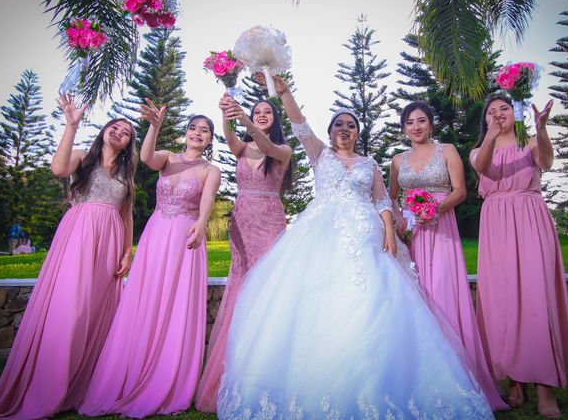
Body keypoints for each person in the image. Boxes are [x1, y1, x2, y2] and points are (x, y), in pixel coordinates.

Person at [217, 76, 494, 420]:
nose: (344, 129)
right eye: (339, 125)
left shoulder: (370, 164)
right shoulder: (320, 154)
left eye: (351, 125)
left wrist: (390, 234)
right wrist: (284, 91)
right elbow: (299, 123)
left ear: (357, 133)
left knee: (372, 297)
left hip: (366, 234)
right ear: (331, 131)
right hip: (320, 236)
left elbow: (381, 200)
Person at [0, 94, 137, 420]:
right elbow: (57, 167)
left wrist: (127, 252)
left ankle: (80, 384)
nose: (119, 132)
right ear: (104, 131)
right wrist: (71, 125)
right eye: (115, 127)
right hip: (78, 236)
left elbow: (126, 215)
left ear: (128, 143)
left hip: (108, 243)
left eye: (126, 132)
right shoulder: (82, 157)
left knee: (93, 310)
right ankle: (47, 385)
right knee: (71, 307)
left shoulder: (126, 174)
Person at [79, 101, 221, 418]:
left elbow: (208, 197)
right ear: (186, 133)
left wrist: (202, 222)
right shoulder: (168, 158)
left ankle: (167, 376)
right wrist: (155, 126)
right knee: (146, 300)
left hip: (185, 238)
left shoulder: (211, 170)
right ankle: (132, 371)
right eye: (194, 128)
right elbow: (145, 157)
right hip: (156, 235)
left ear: (210, 140)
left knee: (175, 303)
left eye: (205, 130)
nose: (198, 133)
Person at [389, 101, 507, 411]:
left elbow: (460, 191)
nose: (416, 127)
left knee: (442, 295)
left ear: (431, 124)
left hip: (441, 230)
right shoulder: (398, 160)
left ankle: (462, 379)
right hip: (411, 237)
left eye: (422, 121)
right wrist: (401, 220)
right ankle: (422, 379)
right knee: (416, 298)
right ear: (403, 129)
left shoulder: (448, 150)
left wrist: (435, 208)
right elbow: (389, 197)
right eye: (410, 122)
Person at [471, 95, 568, 417]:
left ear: (516, 112)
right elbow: (482, 168)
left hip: (530, 218)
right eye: (491, 111)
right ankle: (514, 382)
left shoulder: (531, 141)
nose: (498, 114)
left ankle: (544, 387)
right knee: (502, 301)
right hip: (496, 225)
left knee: (535, 297)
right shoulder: (479, 149)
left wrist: (542, 128)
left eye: (503, 108)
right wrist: (491, 133)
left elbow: (546, 162)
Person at [195, 93, 292, 412]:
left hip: (270, 218)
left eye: (267, 112)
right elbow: (228, 134)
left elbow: (264, 145)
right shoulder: (241, 148)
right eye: (257, 111)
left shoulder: (282, 150)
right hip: (242, 218)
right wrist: (226, 111)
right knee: (241, 280)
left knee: (267, 284)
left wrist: (246, 120)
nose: (262, 114)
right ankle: (231, 368)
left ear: (275, 119)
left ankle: (266, 364)